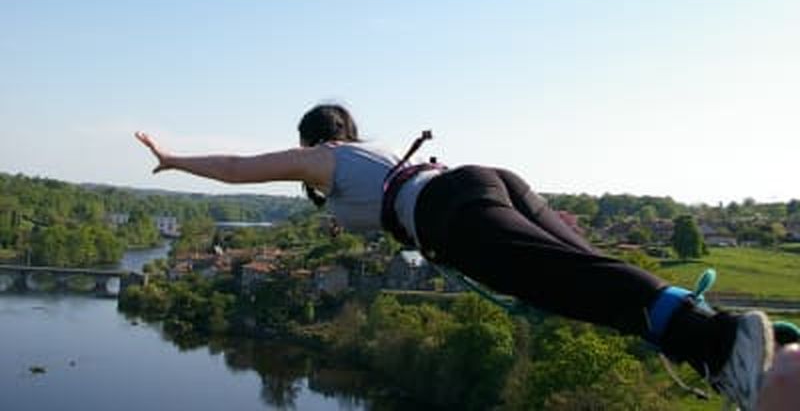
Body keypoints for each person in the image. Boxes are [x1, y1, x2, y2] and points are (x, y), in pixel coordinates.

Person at [135, 103, 775, 411]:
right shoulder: (374, 155)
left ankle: (718, 339)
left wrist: (176, 160)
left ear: (314, 139)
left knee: (568, 284)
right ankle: (723, 342)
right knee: (586, 274)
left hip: (448, 213)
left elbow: (239, 168)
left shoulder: (324, 159)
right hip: (485, 181)